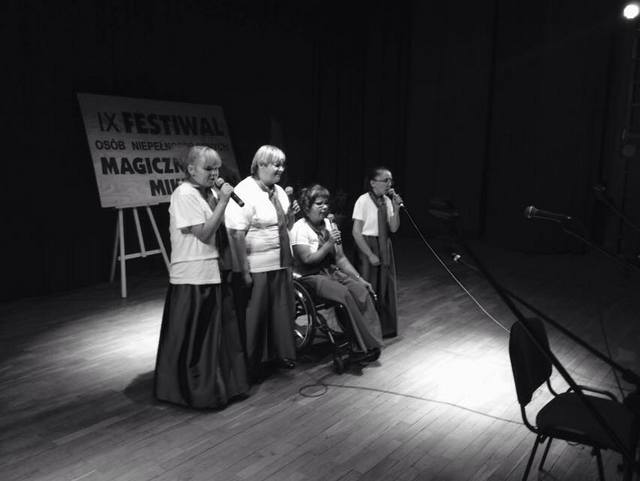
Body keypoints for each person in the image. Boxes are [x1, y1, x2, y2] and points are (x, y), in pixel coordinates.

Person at [154, 146, 249, 409]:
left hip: (214, 271)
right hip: (192, 276)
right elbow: (205, 233)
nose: (215, 173)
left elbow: (221, 228)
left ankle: (223, 387)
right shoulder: (184, 194)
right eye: (208, 169)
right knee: (197, 338)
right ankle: (193, 391)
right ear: (191, 169)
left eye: (217, 168)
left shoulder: (210, 193)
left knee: (219, 335)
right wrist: (223, 202)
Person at [225, 145, 297, 379]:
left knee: (280, 312)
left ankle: (278, 356)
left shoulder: (279, 191)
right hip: (257, 266)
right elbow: (236, 233)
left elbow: (286, 226)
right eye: (276, 165)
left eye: (282, 165)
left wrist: (291, 215)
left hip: (281, 263)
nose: (281, 169)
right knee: (255, 317)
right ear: (260, 165)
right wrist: (244, 270)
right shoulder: (244, 190)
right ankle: (252, 364)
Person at [290, 184, 383, 360]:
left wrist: (359, 278)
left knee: (361, 291)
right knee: (344, 294)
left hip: (330, 271)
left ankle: (370, 342)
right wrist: (329, 244)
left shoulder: (329, 224)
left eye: (326, 203)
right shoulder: (299, 229)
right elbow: (307, 260)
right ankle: (356, 345)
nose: (324, 207)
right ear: (307, 207)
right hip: (309, 277)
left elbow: (340, 258)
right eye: (319, 204)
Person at [352, 167, 403, 338]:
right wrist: (369, 254)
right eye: (385, 180)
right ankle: (367, 330)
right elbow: (356, 232)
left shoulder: (387, 201)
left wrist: (396, 208)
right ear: (373, 183)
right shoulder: (363, 201)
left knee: (385, 285)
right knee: (369, 286)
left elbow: (393, 228)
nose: (389, 184)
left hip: (383, 245)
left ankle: (384, 328)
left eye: (390, 180)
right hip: (368, 245)